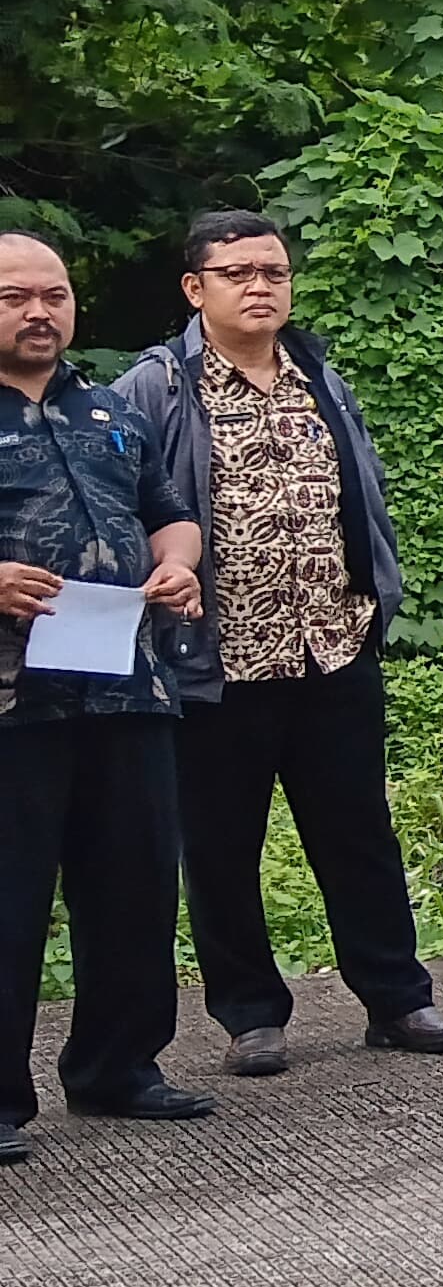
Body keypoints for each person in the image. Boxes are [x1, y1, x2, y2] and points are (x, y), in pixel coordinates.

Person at [115, 211, 443, 1076]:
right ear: (194, 289)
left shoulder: (318, 372)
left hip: (333, 645)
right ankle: (251, 1016)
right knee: (221, 843)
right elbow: (129, 507)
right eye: (237, 272)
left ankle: (398, 1000)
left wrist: (375, 589)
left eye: (273, 271)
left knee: (358, 831)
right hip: (219, 659)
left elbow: (363, 488)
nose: (259, 286)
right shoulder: (158, 387)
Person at [1, 232, 211, 1165]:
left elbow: (169, 512)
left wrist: (177, 566)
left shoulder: (108, 410)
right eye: (15, 297)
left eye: (54, 295)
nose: (40, 312)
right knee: (7, 899)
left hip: (128, 684)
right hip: (12, 702)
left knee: (131, 883)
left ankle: (119, 1068)